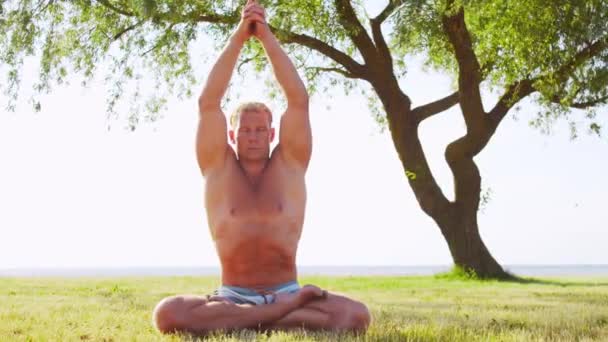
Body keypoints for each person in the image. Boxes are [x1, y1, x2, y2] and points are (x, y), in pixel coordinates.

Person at [152, 0, 370, 335]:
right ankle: (285, 314)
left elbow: (298, 99)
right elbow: (208, 101)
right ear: (232, 134)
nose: (252, 137)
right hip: (232, 295)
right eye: (245, 130)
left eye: (259, 131)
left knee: (357, 316)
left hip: (286, 289)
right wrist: (240, 36)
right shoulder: (217, 165)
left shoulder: (291, 163)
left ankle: (255, 317)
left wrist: (265, 35)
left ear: (271, 133)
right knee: (166, 315)